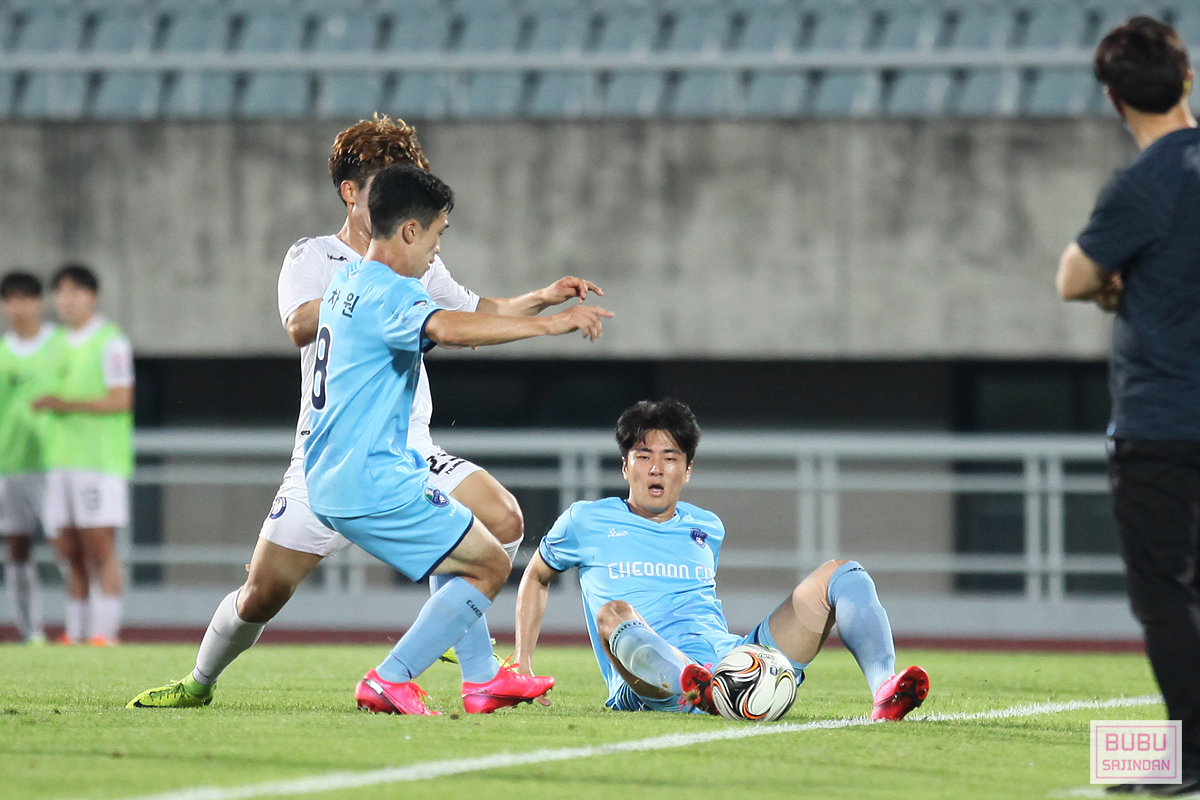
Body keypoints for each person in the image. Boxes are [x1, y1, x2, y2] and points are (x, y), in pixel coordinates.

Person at [128, 116, 601, 711]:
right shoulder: (324, 260)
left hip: (405, 446)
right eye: (386, 181)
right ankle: (201, 681)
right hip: (335, 452)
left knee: (501, 521)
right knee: (261, 595)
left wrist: (541, 299)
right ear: (354, 194)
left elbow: (472, 311)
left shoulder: (403, 269)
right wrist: (384, 296)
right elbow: (305, 323)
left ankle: (469, 660)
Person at [303, 163, 611, 714]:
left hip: (332, 471)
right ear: (409, 231)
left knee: (472, 542)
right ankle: (390, 678)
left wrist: (539, 301)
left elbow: (458, 316)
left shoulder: (346, 280)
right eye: (437, 234)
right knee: (490, 564)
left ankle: (482, 679)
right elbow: (446, 327)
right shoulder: (392, 291)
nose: (437, 249)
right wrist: (550, 324)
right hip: (370, 477)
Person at [514, 398, 928, 719]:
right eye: (643, 456)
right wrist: (523, 663)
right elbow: (535, 577)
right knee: (612, 612)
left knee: (844, 574)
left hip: (732, 662)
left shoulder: (707, 526)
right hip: (648, 682)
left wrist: (736, 663)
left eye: (670, 457)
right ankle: (695, 687)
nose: (656, 468)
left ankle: (884, 689)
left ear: (687, 471)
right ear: (625, 467)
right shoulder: (586, 520)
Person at [1056, 16, 1200, 795]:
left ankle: (1190, 758)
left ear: (1114, 99)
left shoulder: (1144, 184)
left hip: (1163, 422)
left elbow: (1072, 278)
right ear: (1188, 78)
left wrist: (1119, 286)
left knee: (1165, 594)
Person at [33, 264, 134, 646]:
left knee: (99, 546)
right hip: (59, 460)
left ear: (93, 296)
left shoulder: (110, 341)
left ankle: (105, 632)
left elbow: (120, 399)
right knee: (68, 548)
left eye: (75, 291)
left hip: (99, 462)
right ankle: (75, 630)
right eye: (60, 292)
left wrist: (65, 404)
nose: (66, 299)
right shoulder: (54, 343)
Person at [0, 271, 64, 644]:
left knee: (67, 546)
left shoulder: (59, 345)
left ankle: (85, 629)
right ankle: (31, 631)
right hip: (10, 464)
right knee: (17, 547)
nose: (18, 307)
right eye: (10, 299)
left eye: (25, 298)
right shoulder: (2, 351)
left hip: (55, 463)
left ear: (39, 302)